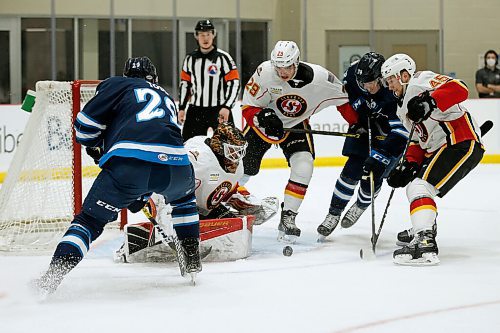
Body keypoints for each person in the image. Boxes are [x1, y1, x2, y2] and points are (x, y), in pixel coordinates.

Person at [34, 56, 202, 294]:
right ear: (153, 78)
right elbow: (157, 139)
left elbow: (84, 126)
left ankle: (52, 277)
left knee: (89, 221)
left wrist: (95, 147)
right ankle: (192, 258)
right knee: (185, 201)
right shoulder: (165, 95)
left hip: (130, 166)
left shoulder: (117, 85)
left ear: (126, 76)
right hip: (178, 165)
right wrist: (143, 191)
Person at [240, 40, 357, 243]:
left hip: (297, 124)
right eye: (278, 67)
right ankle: (224, 199)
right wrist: (262, 117)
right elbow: (248, 107)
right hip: (264, 125)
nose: (282, 72)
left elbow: (344, 100)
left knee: (304, 165)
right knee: (244, 167)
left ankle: (289, 217)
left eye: (287, 66)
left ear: (297, 62)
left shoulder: (321, 78)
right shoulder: (264, 72)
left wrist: (357, 124)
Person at [116, 122, 279, 262]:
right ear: (219, 146)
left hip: (203, 208)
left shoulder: (234, 165)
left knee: (234, 225)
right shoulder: (197, 159)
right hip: (180, 206)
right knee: (178, 223)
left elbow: (226, 188)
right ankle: (150, 240)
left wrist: (241, 200)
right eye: (232, 151)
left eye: (240, 152)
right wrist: (161, 210)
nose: (236, 158)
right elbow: (166, 182)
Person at [381, 53, 485, 265]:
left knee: (420, 187)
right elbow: (418, 140)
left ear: (404, 74)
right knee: (414, 184)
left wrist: (430, 100)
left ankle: (425, 240)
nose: (389, 86)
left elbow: (460, 88)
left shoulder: (421, 81)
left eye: (391, 80)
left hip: (459, 141)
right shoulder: (401, 109)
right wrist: (409, 163)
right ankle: (423, 226)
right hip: (441, 148)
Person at [316, 52, 408, 240]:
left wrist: (383, 151)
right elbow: (343, 98)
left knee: (371, 179)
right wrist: (357, 118)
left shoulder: (393, 89)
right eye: (363, 83)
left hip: (388, 134)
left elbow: (401, 131)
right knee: (351, 171)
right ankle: (334, 213)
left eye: (371, 83)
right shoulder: (351, 75)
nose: (367, 87)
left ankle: (361, 204)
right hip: (363, 126)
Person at [178, 19, 240, 141]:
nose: (205, 38)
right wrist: (181, 108)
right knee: (189, 146)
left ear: (213, 35)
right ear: (196, 36)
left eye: (208, 34)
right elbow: (185, 84)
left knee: (228, 146)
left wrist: (227, 107)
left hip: (219, 109)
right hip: (196, 110)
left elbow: (234, 84)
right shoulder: (190, 59)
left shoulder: (223, 58)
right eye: (201, 35)